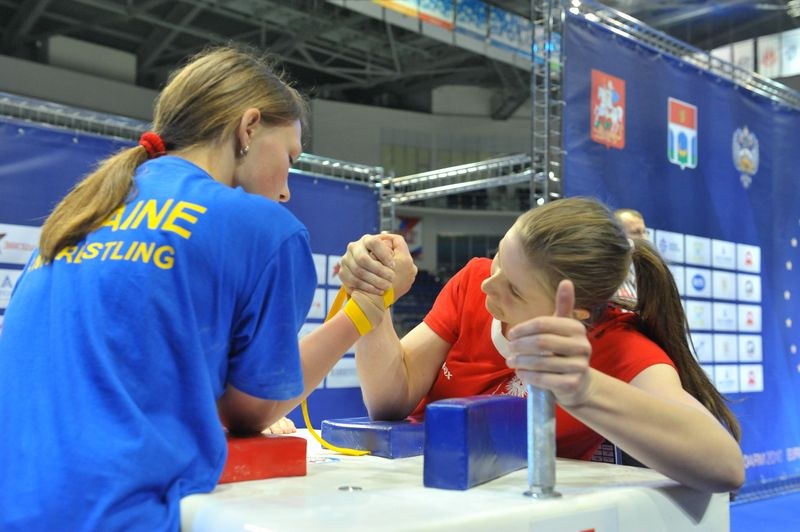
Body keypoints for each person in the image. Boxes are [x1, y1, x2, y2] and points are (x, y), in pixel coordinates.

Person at [0, 46, 386, 531]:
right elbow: (253, 411)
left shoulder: (76, 218)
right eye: (289, 158)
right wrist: (362, 314)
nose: (287, 189)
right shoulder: (264, 228)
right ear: (247, 129)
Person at [338, 197, 744, 493]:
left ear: (576, 312)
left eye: (513, 289)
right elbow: (389, 402)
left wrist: (583, 389)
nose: (486, 284)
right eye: (498, 257)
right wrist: (374, 298)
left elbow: (725, 466)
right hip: (423, 492)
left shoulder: (618, 346)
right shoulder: (472, 283)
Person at [613, 207, 647, 302]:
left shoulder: (646, 278)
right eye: (636, 232)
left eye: (645, 232)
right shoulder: (607, 279)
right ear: (617, 237)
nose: (644, 239)